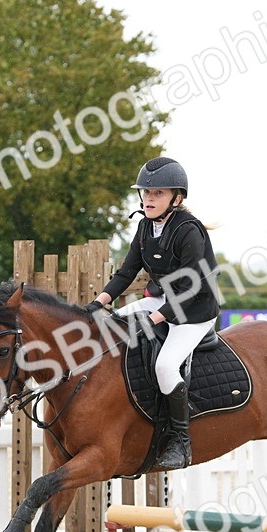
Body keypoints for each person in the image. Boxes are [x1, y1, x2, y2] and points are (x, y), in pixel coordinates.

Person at [85, 157, 219, 470]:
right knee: (111, 331)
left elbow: (190, 288)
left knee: (165, 365)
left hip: (195, 311)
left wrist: (154, 319)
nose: (148, 198)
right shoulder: (145, 226)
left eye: (157, 193)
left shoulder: (190, 232)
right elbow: (127, 271)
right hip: (160, 302)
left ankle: (181, 441)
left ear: (177, 197)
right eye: (146, 192)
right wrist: (99, 302)